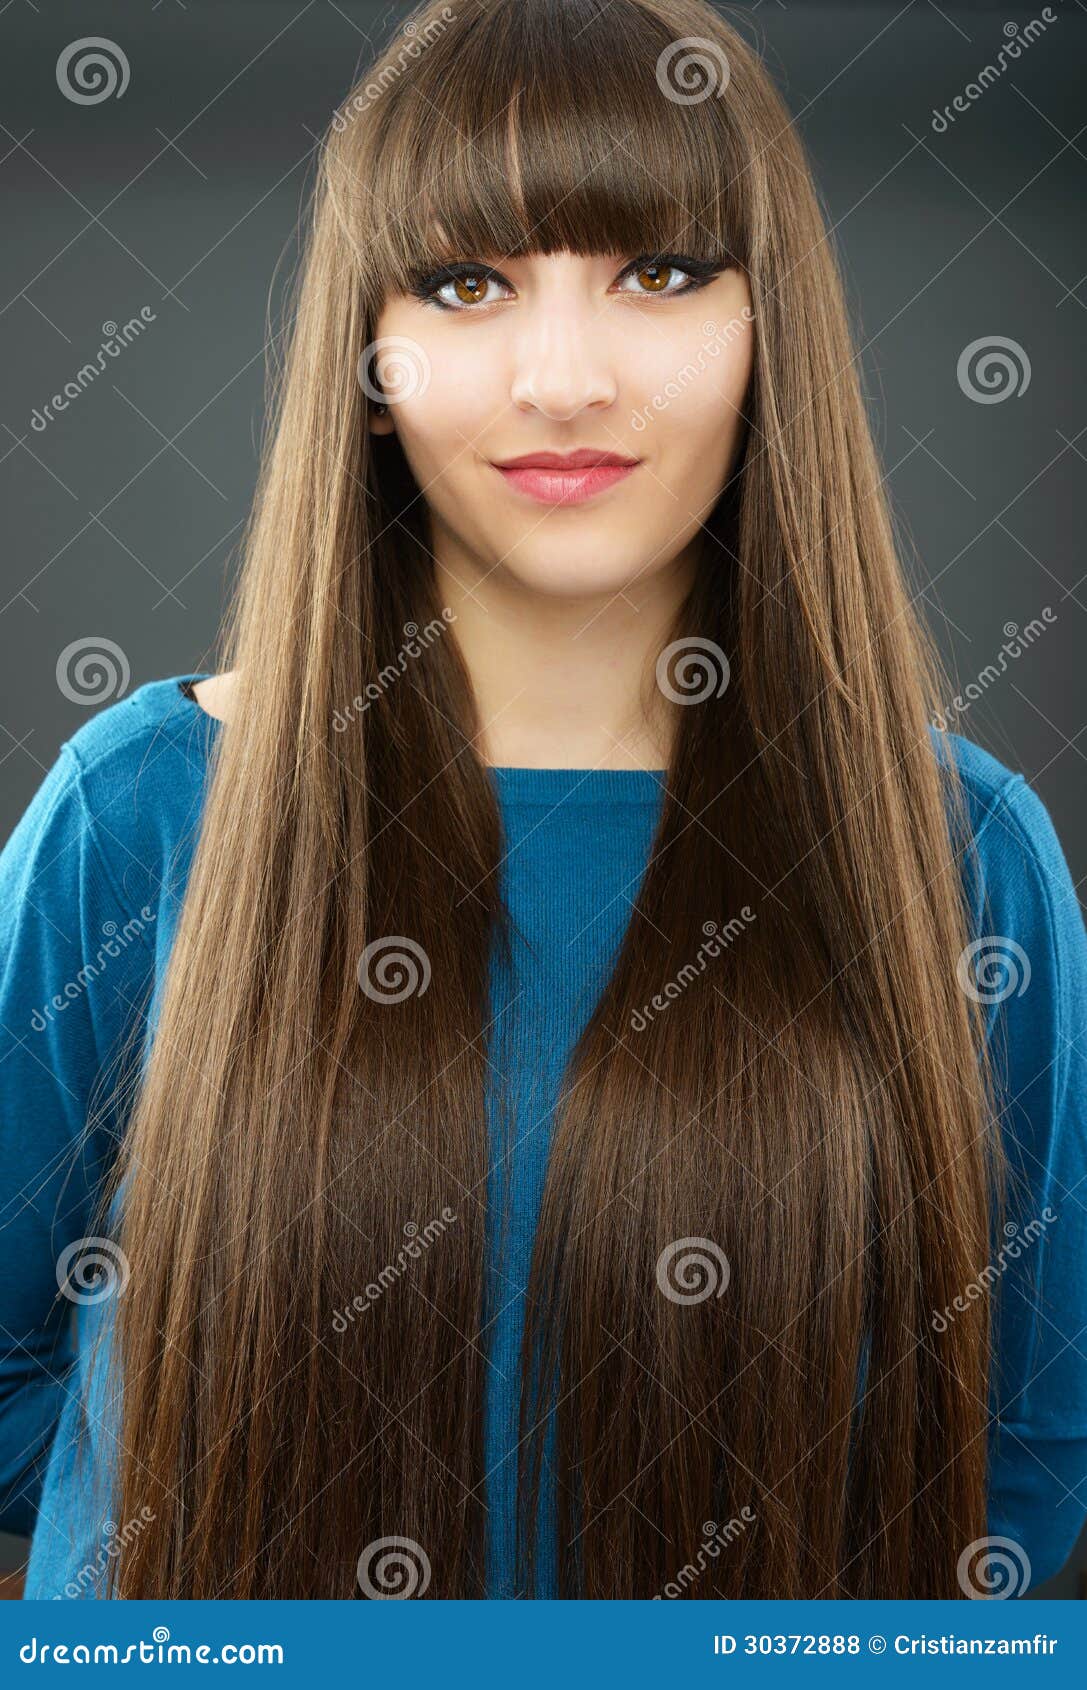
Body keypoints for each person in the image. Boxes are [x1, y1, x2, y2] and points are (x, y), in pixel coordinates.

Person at [2, 0, 1086, 1601]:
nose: (564, 377)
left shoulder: (964, 857)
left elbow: (1027, 1446)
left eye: (659, 273)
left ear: (765, 329)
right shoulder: (137, 814)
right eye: (465, 283)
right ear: (368, 365)